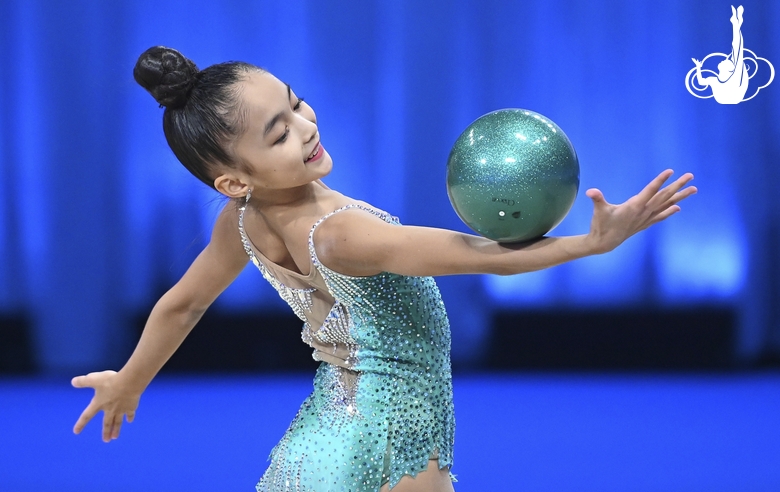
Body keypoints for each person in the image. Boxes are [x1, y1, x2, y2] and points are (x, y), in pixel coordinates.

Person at [71, 46, 697, 492]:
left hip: (333, 415)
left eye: (296, 105)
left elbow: (184, 303)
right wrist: (589, 246)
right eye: (279, 134)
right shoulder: (341, 235)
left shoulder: (241, 221)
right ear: (233, 178)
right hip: (394, 422)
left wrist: (132, 378)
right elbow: (474, 254)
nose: (308, 127)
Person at [692, 5, 748, 104]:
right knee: (736, 51)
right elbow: (701, 82)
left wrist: (736, 26)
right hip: (728, 97)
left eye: (727, 61)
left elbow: (737, 49)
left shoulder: (734, 77)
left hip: (733, 96)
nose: (724, 59)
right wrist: (698, 67)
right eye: (727, 60)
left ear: (729, 69)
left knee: (737, 51)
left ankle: (736, 23)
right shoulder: (714, 80)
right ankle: (736, 23)